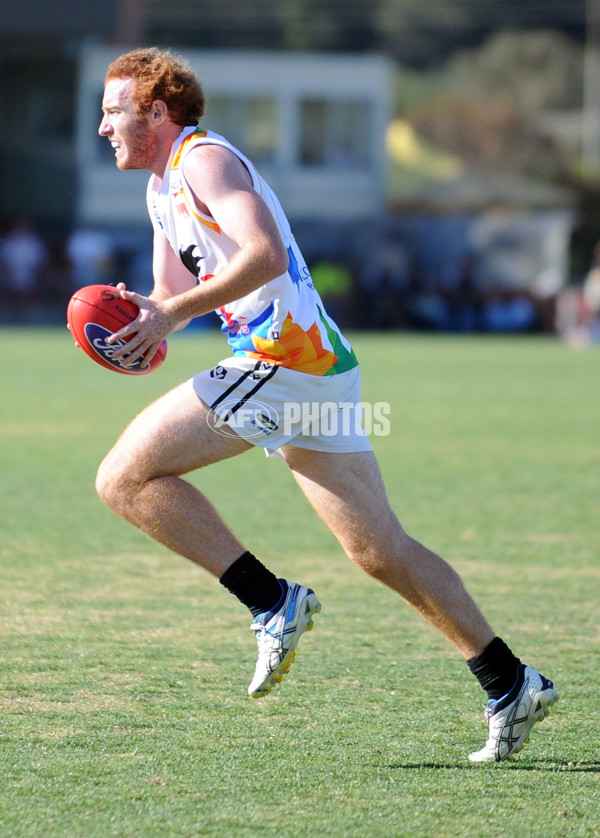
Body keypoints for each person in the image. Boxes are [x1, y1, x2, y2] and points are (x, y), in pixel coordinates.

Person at [91, 47, 558, 762]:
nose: (103, 127)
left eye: (112, 110)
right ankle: (510, 682)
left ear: (156, 111)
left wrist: (169, 314)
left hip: (284, 357)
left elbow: (265, 255)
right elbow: (167, 302)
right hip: (317, 366)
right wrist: (138, 319)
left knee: (122, 479)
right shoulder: (160, 189)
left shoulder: (201, 162)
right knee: (379, 551)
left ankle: (270, 601)